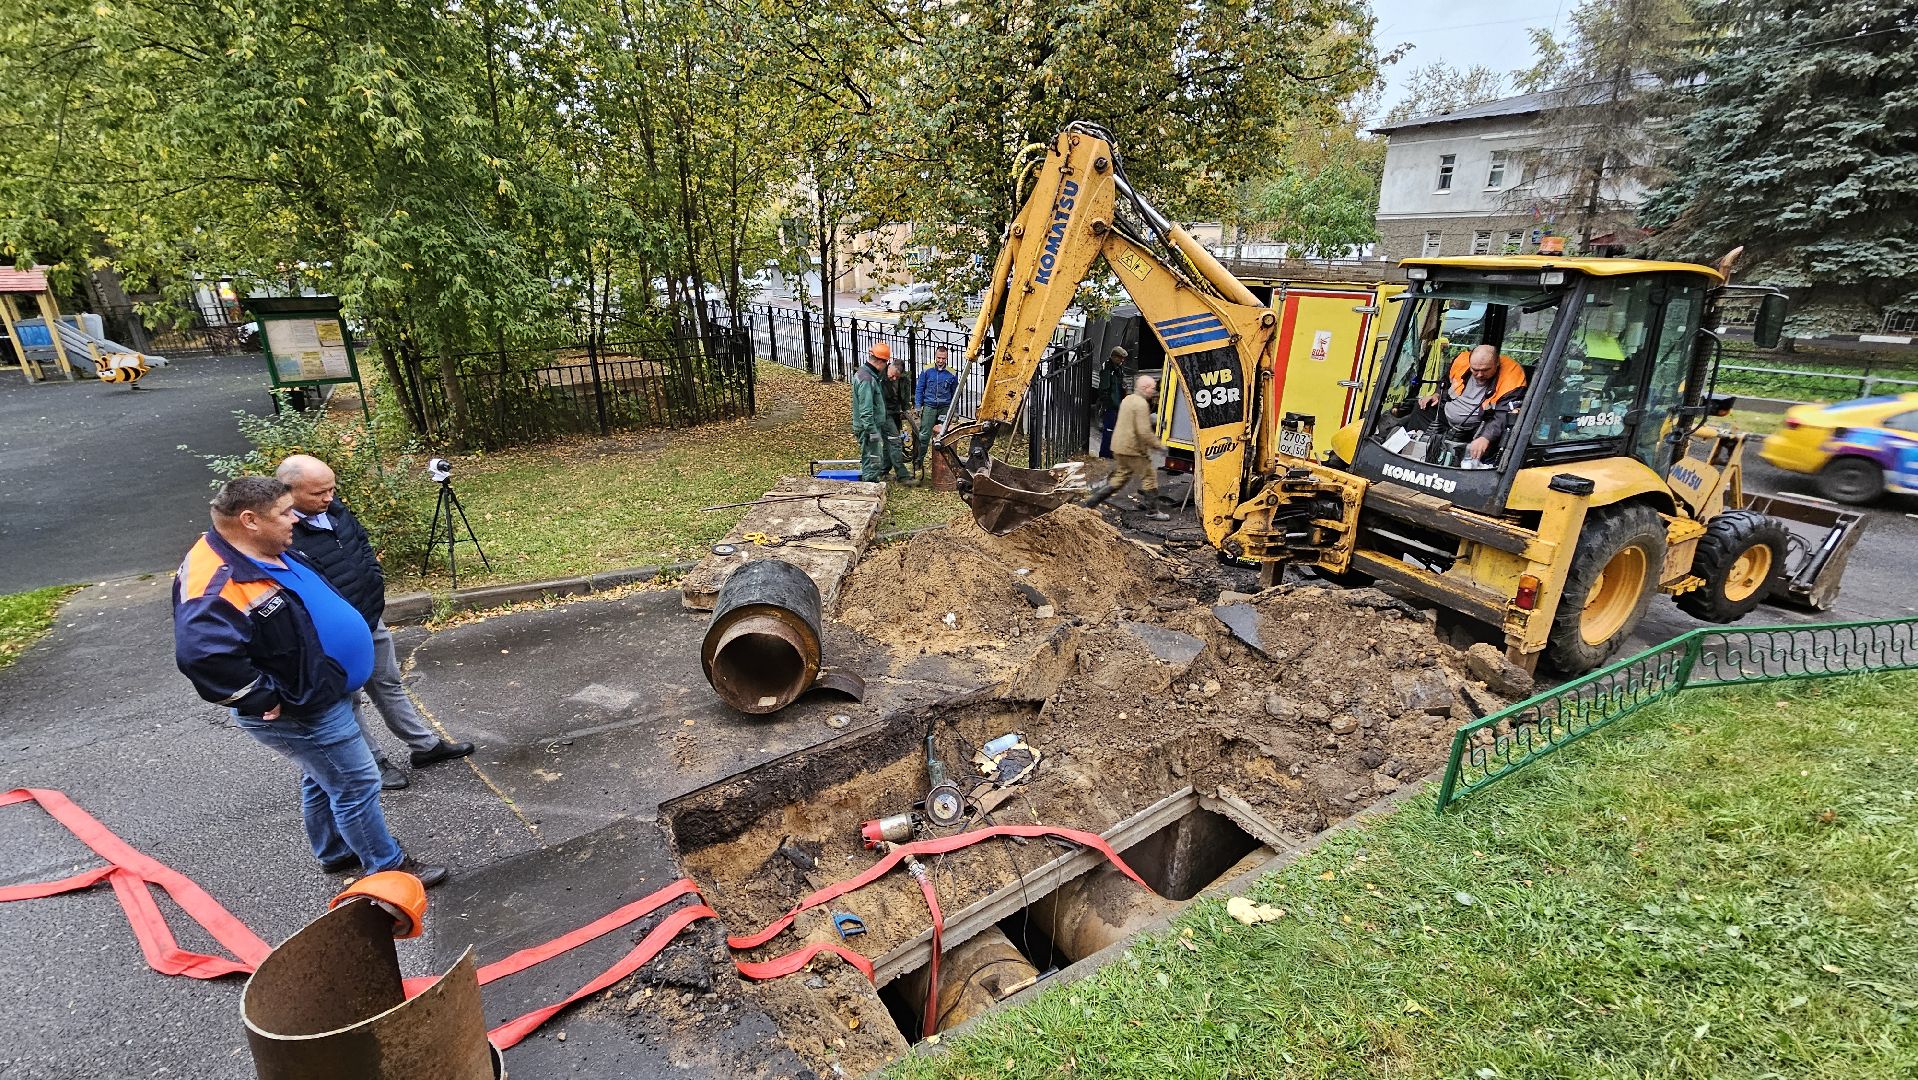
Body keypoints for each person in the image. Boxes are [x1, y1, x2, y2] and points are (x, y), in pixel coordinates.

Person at [173, 476, 448, 886]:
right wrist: (264, 694)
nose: (294, 519)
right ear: (249, 519)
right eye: (284, 513)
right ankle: (388, 867)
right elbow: (203, 656)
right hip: (304, 707)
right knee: (356, 781)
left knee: (324, 774)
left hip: (321, 691)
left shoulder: (260, 547)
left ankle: (335, 852)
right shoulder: (215, 582)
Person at [277, 454, 472, 791]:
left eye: (331, 489)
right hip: (334, 634)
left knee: (388, 683)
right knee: (349, 699)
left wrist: (373, 578)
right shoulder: (284, 534)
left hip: (369, 616)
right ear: (287, 492)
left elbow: (361, 544)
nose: (328, 498)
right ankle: (374, 762)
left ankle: (424, 746)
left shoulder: (334, 509)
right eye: (318, 493)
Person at [1418, 343, 1526, 463]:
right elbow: (1445, 381)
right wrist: (1436, 394)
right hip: (1446, 415)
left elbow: (1504, 415)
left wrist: (1486, 437)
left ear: (1497, 364)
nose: (1479, 375)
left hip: (1478, 426)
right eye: (1475, 369)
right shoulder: (1460, 362)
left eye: (1485, 370)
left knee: (1491, 444)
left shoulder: (1512, 378)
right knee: (1420, 408)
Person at [1084, 374, 1171, 521]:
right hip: (1133, 450)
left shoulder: (1128, 399)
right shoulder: (1142, 404)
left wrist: (1153, 421)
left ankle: (1090, 502)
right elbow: (1143, 432)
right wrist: (1159, 446)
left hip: (1119, 447)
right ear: (1145, 388)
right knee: (1149, 476)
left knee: (1120, 478)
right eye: (1152, 389)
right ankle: (1153, 511)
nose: (1154, 392)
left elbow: (1133, 420)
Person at [852, 343, 912, 484]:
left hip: (872, 425)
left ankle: (872, 483)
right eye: (886, 362)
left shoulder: (868, 374)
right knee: (872, 460)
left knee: (873, 458)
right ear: (880, 361)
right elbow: (866, 411)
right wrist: (872, 432)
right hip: (868, 428)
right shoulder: (867, 379)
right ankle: (869, 489)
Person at [912, 346, 959, 474]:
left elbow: (956, 394)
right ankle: (919, 462)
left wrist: (955, 412)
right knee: (924, 436)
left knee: (944, 436)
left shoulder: (952, 373)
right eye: (938, 357)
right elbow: (919, 388)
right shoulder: (927, 370)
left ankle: (944, 466)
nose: (940, 360)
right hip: (929, 406)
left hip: (944, 407)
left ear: (947, 358)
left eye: (943, 358)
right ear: (935, 356)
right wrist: (918, 406)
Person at [882, 359, 915, 482]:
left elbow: (905, 398)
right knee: (895, 442)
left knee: (888, 443)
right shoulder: (881, 378)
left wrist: (905, 411)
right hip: (884, 413)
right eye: (893, 375)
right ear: (890, 367)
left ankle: (883, 471)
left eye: (897, 376)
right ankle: (903, 475)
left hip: (895, 413)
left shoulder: (903, 380)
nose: (894, 378)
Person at [1096, 347, 1128, 458]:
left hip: (1117, 403)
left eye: (1123, 359)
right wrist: (1106, 403)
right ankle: (1105, 453)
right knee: (1108, 429)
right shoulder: (1108, 368)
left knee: (1115, 429)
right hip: (1110, 404)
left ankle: (1111, 451)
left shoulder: (1118, 368)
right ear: (1114, 357)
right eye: (1120, 358)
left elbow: (1119, 385)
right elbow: (1104, 387)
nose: (1122, 361)